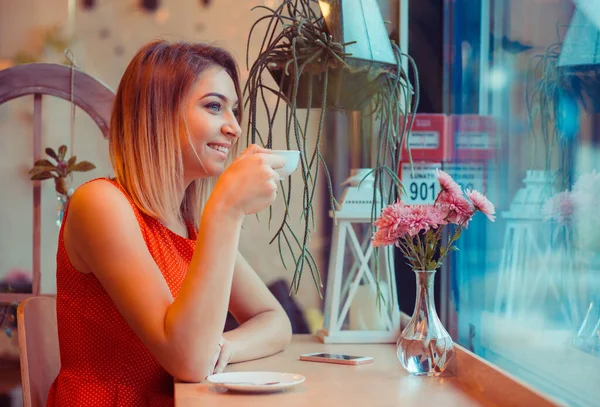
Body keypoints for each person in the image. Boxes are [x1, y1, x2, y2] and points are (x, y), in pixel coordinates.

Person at [46, 40, 292, 406]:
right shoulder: (100, 204)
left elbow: (274, 320)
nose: (234, 128)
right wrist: (226, 209)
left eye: (234, 111)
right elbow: (189, 361)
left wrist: (220, 346)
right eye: (214, 107)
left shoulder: (187, 225)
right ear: (158, 113)